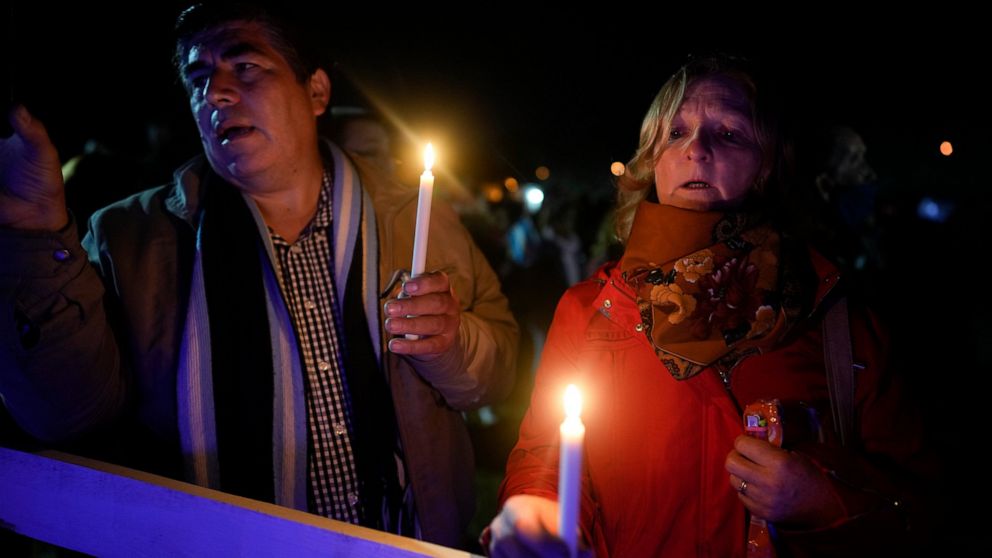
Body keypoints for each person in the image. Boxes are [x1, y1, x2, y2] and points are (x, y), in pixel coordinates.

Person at [0, 2, 517, 548]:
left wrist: (452, 345)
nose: (216, 93)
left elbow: (500, 367)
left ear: (316, 92)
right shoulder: (129, 238)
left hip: (404, 538)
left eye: (245, 68)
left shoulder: (415, 217)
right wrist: (35, 238)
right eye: (199, 79)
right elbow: (62, 416)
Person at [486, 57, 931, 557]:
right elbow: (545, 455)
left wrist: (827, 500)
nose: (697, 149)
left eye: (731, 134)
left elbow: (919, 505)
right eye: (675, 132)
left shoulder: (835, 319)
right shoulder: (593, 310)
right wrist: (537, 505)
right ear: (651, 162)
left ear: (767, 165)